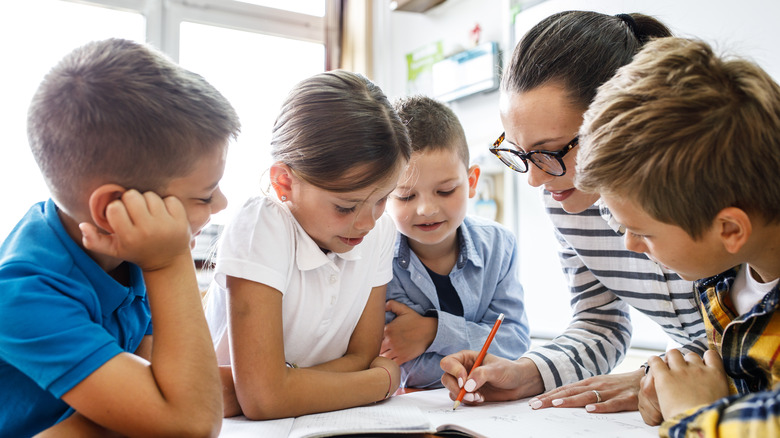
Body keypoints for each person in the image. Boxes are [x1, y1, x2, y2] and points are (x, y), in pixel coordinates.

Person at [440, 10, 708, 411]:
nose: (534, 180)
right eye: (518, 152)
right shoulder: (565, 196)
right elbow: (600, 322)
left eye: (549, 152)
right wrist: (526, 372)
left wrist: (652, 377)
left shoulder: (716, 185)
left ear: (620, 120)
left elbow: (754, 336)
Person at [0, 38, 240, 437]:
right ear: (114, 207)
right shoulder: (23, 292)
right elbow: (192, 424)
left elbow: (164, 391)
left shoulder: (125, 249)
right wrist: (169, 262)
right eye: (203, 195)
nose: (221, 204)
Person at [575, 36, 780, 436]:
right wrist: (675, 385)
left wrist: (692, 414)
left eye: (641, 232)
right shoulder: (723, 276)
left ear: (729, 230)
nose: (630, 244)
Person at [204, 70, 412, 420]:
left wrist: (277, 386)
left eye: (382, 200)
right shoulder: (262, 224)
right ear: (284, 182)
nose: (367, 222)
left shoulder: (380, 231)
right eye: (345, 206)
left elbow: (361, 355)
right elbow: (263, 399)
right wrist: (381, 382)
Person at [381, 95, 531, 389]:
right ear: (383, 193)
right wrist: (477, 352)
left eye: (446, 191)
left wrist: (435, 332)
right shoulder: (379, 256)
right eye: (406, 196)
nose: (427, 209)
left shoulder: (499, 245)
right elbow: (400, 364)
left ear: (472, 181)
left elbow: (514, 342)